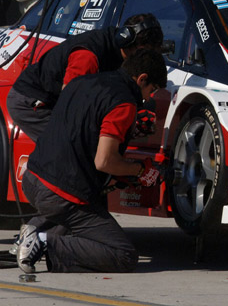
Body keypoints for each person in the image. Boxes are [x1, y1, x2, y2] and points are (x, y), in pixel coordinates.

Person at [16, 48, 168, 273]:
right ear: (142, 78)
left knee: (80, 214)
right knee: (123, 254)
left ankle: (33, 234)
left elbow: (83, 129)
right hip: (60, 194)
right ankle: (42, 241)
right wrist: (138, 171)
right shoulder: (124, 103)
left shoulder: (82, 82)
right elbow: (104, 161)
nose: (149, 98)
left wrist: (130, 129)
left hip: (33, 178)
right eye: (151, 90)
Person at [7, 13, 164, 142]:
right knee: (72, 145)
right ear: (132, 44)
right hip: (32, 100)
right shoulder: (88, 57)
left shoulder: (122, 55)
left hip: (58, 99)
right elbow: (71, 105)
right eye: (146, 53)